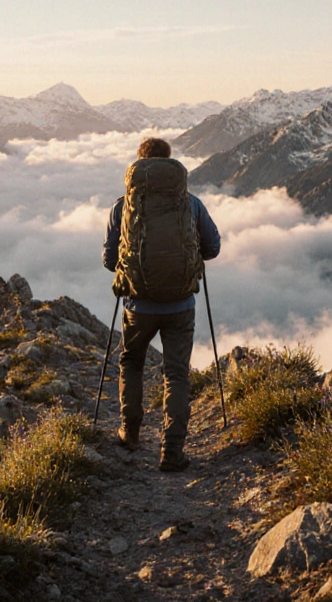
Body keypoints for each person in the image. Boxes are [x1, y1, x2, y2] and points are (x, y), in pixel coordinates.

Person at [102, 137, 221, 472]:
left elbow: (110, 259)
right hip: (181, 304)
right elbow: (211, 248)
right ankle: (172, 451)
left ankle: (130, 433)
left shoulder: (123, 205)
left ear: (139, 165)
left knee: (131, 363)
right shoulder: (191, 204)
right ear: (170, 164)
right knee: (177, 374)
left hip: (137, 304)